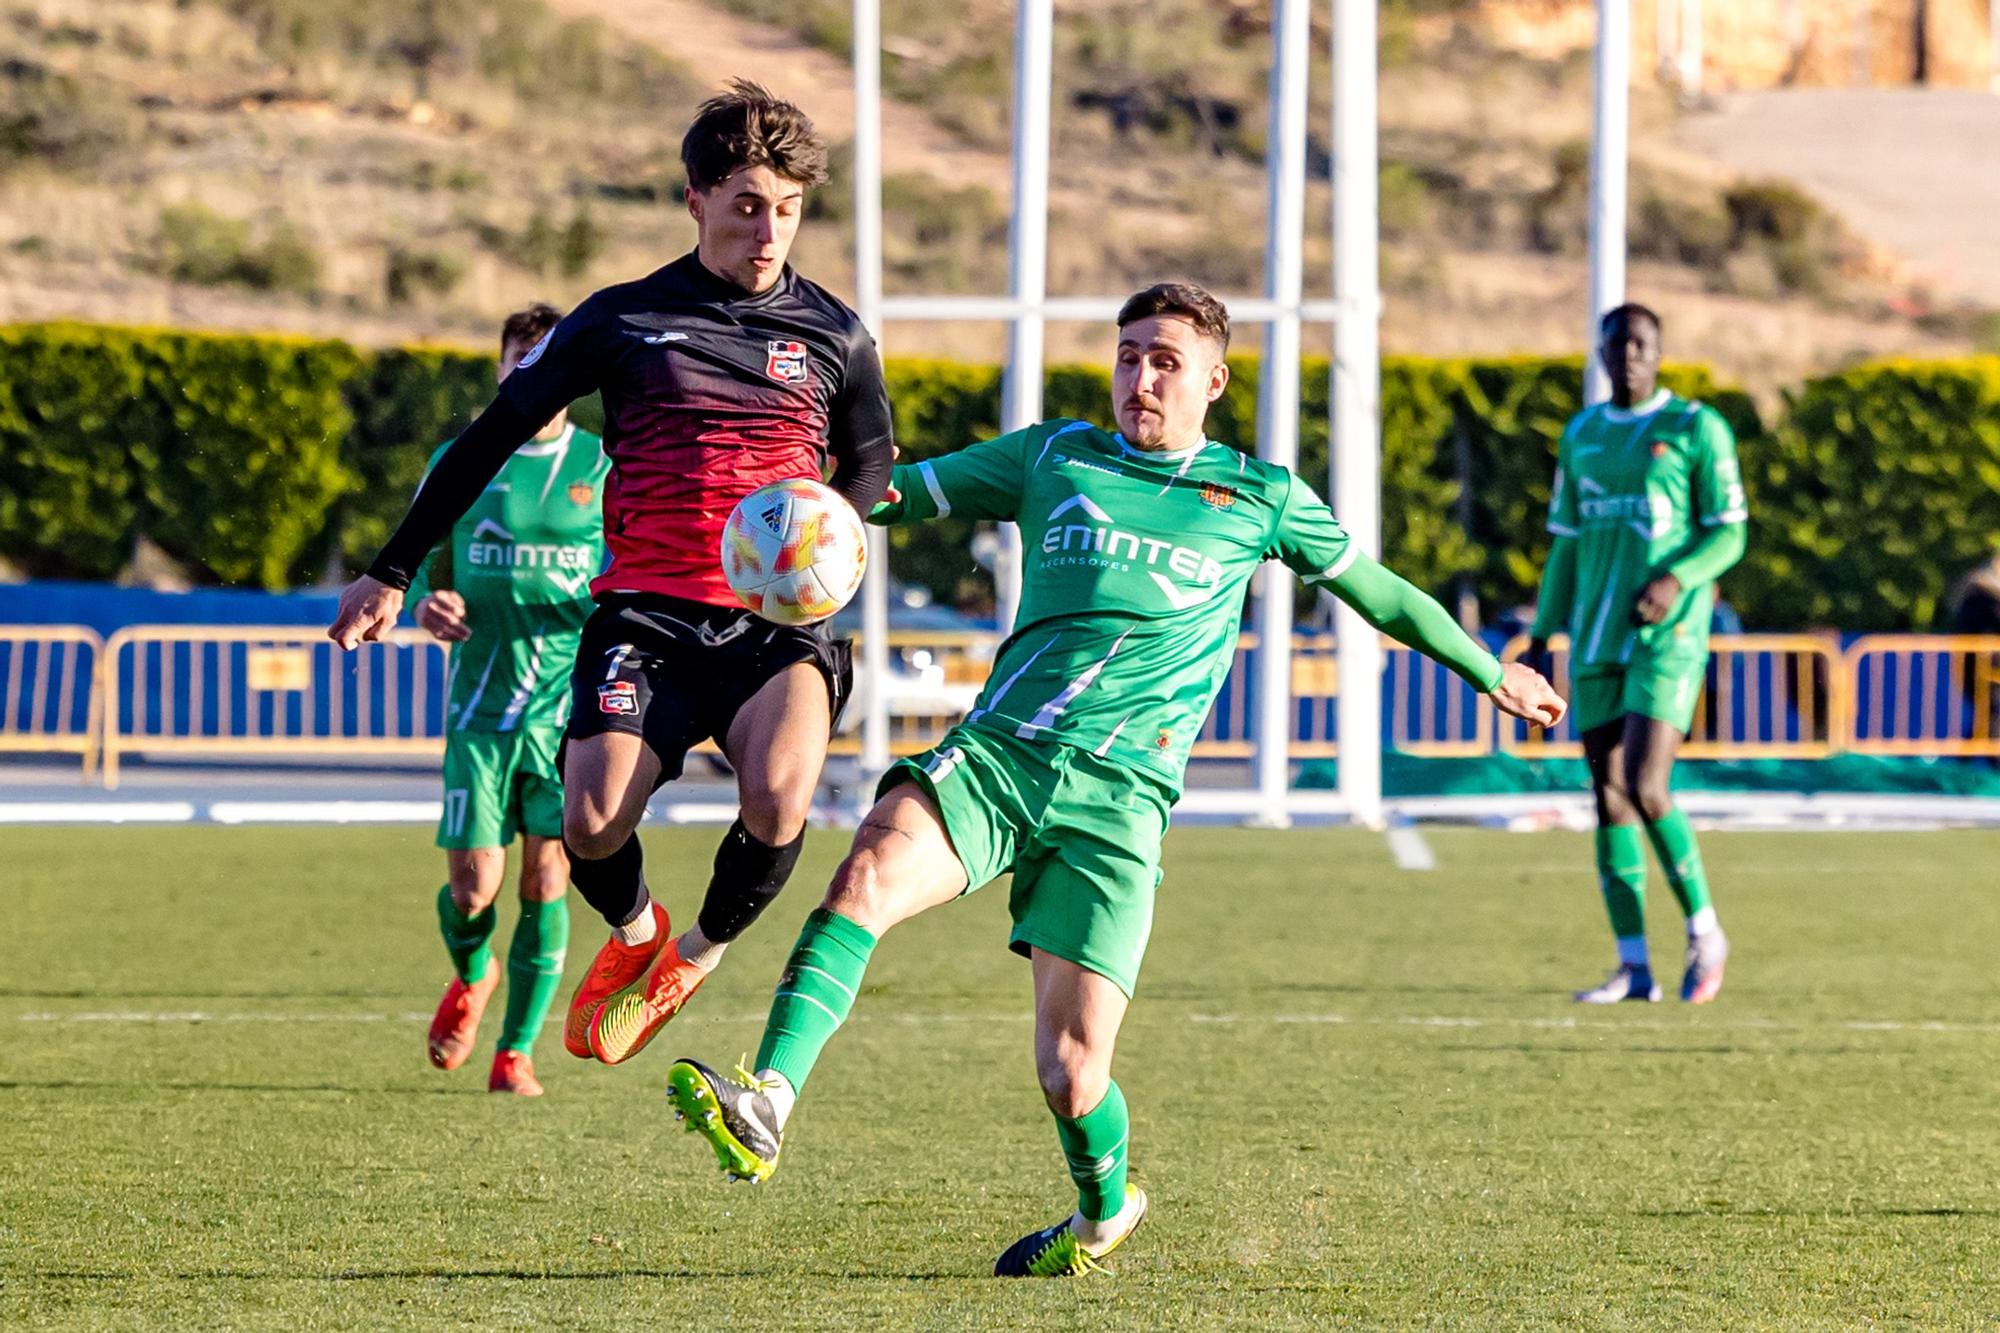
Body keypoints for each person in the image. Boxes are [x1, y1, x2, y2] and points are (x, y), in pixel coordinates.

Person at [662, 283, 1565, 1277]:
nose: (1140, 376)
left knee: (1069, 1071)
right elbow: (897, 493)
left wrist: (1491, 671)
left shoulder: (1256, 496)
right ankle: (768, 1101)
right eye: (1128, 354)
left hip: (1119, 803)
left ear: (1213, 381)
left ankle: (1101, 1214)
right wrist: (797, 498)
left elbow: (1378, 592)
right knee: (864, 875)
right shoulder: (1053, 456)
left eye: (1164, 360)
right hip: (998, 758)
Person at [328, 81, 894, 1071]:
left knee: (777, 797)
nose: (770, 230)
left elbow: (872, 458)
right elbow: (489, 438)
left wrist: (830, 531)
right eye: (749, 204)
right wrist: (392, 567)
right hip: (646, 616)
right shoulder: (621, 319)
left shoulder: (834, 332)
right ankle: (635, 933)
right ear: (696, 198)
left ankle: (693, 956)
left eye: (790, 209)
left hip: (773, 627)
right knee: (589, 822)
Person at [1526, 303, 1747, 1006]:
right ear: (1600, 352)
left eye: (1642, 345)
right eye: (1617, 345)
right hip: (1595, 638)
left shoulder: (1695, 428)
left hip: (1668, 637)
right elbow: (1566, 542)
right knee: (1609, 795)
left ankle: (1706, 930)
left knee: (1648, 782)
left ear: (1660, 353)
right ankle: (1633, 967)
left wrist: (1676, 576)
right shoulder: (1583, 434)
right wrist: (1541, 632)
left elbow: (1730, 533)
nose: (1629, 356)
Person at [413, 304, 607, 1096]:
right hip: (478, 709)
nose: (532, 371)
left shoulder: (604, 465)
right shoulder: (461, 457)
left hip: (565, 714)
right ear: (499, 368)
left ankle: (515, 1050)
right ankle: (471, 969)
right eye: (519, 357)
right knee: (473, 887)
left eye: (547, 358)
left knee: (545, 881)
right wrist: (428, 601)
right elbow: (424, 553)